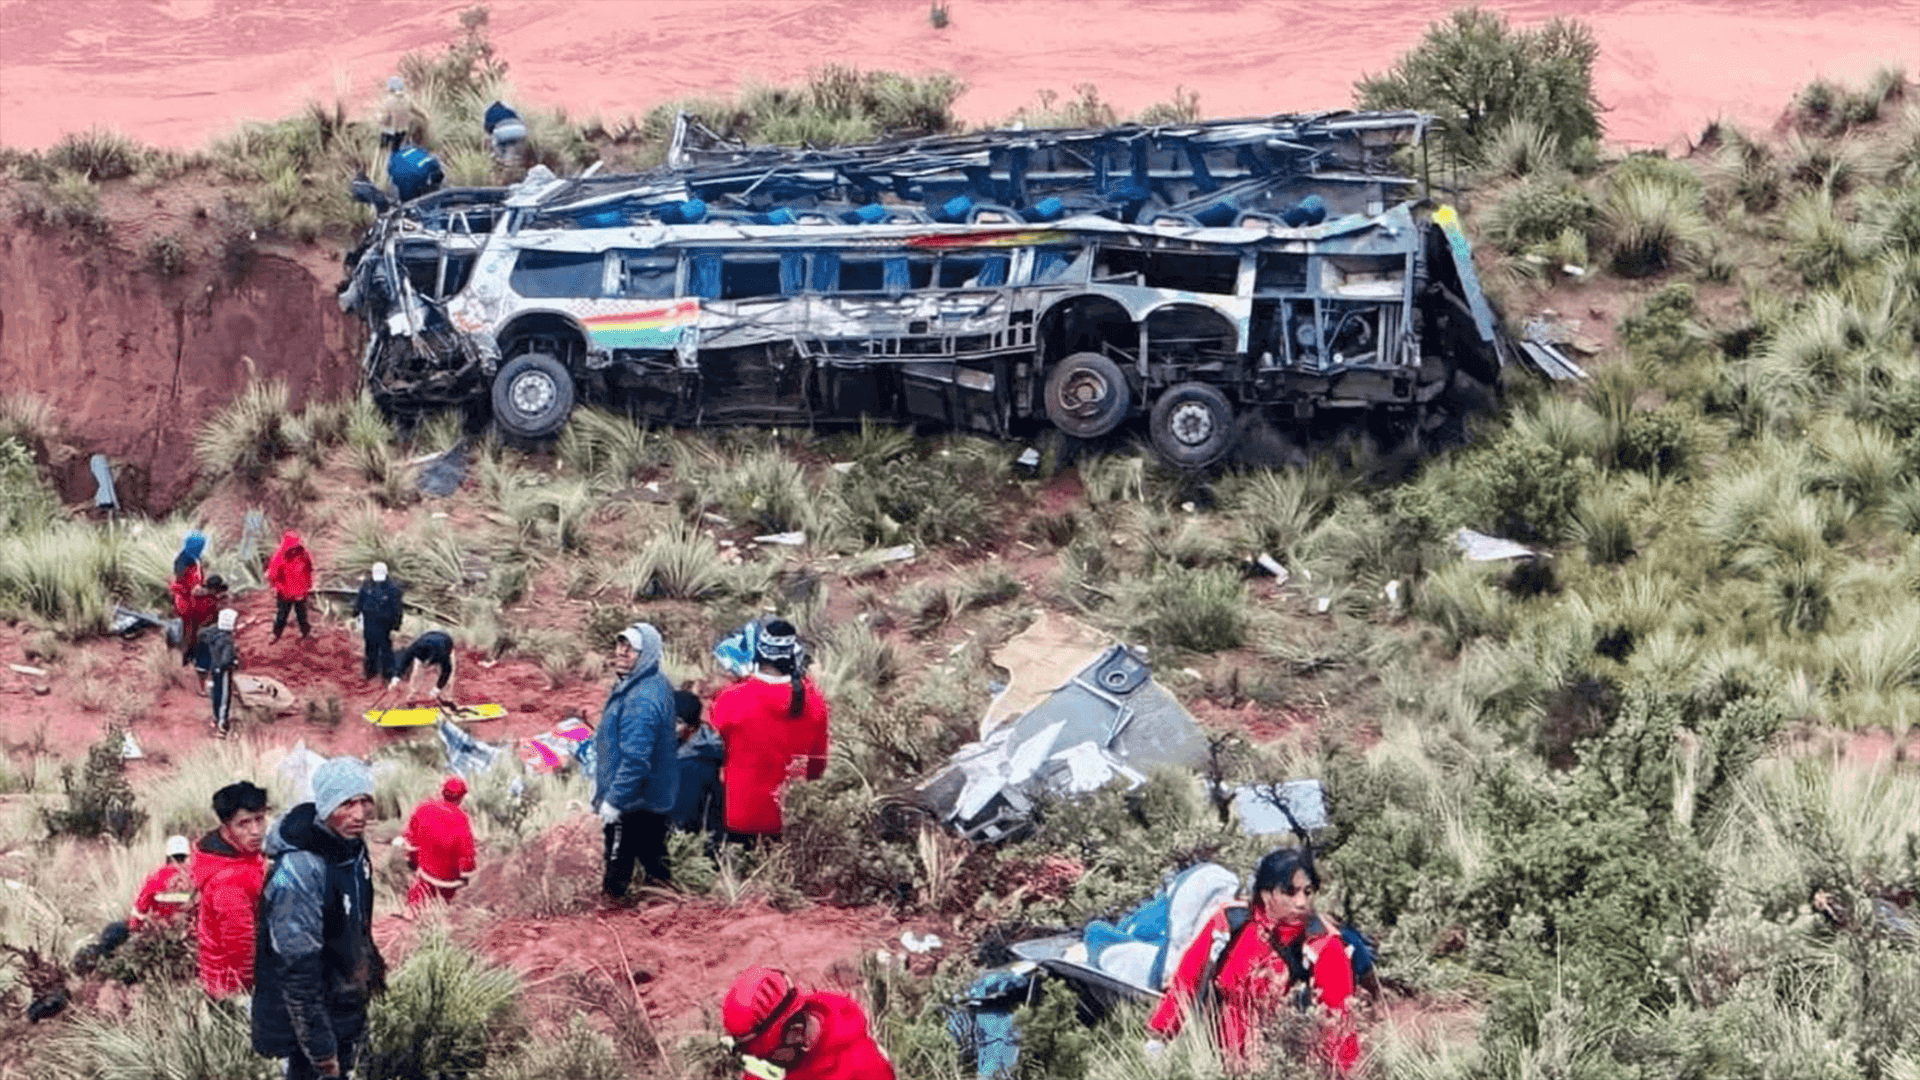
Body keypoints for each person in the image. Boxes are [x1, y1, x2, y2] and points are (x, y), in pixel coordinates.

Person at [1148, 847, 1378, 1073]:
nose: (1301, 902)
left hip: (1286, 1068)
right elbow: (1187, 980)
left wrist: (1340, 1072)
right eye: (1289, 892)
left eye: (1307, 892)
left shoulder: (1324, 944)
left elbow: (1339, 1021)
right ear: (1266, 894)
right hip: (1218, 1064)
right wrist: (1160, 1036)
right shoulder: (1231, 922)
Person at [255, 756, 385, 1080]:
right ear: (326, 806)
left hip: (344, 1003)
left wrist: (369, 967)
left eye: (364, 801)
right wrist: (323, 1052)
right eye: (347, 803)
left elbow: (355, 921)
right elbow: (297, 973)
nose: (359, 814)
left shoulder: (351, 848)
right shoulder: (299, 871)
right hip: (309, 1022)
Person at [710, 619, 829, 843]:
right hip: (791, 818)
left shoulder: (731, 699)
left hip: (738, 815)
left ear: (759, 654)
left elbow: (712, 752)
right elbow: (817, 767)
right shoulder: (814, 701)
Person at [591, 622, 678, 899]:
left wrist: (614, 801)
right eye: (621, 645)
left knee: (617, 869)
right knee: (654, 859)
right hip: (650, 797)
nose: (622, 652)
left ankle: (614, 910)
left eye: (630, 649)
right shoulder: (648, 683)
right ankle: (664, 904)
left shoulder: (641, 700)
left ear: (647, 654)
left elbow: (636, 760)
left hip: (633, 801)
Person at [722, 966, 895, 1080]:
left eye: (767, 1055)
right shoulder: (781, 1058)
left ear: (796, 1033)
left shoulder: (864, 1069)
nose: (762, 1063)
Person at [195, 780, 269, 999]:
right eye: (243, 823)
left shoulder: (237, 856)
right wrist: (249, 993)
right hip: (233, 988)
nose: (255, 831)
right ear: (226, 827)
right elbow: (241, 947)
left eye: (259, 819)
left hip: (221, 981)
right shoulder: (230, 880)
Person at [78, 834, 196, 969]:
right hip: (188, 935)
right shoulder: (196, 877)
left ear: (168, 856)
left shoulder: (156, 876)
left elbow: (140, 909)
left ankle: (100, 964)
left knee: (114, 931)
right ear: (187, 856)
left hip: (157, 933)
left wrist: (135, 927)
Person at [398, 776, 477, 910]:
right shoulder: (462, 819)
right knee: (447, 907)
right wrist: (465, 875)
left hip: (426, 874)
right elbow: (466, 852)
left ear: (442, 791)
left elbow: (411, 842)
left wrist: (413, 861)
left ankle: (411, 912)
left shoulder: (424, 809)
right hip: (450, 881)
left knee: (415, 901)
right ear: (461, 797)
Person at [670, 688, 726, 840]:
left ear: (689, 726)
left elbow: (684, 819)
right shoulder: (681, 744)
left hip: (690, 840)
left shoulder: (696, 764)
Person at [171, 532, 217, 665]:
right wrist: (210, 591)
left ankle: (186, 657)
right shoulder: (190, 565)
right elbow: (194, 589)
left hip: (184, 601)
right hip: (189, 603)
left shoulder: (183, 559)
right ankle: (188, 658)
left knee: (189, 630)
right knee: (191, 631)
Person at [353, 562, 404, 682]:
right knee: (370, 647)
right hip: (369, 622)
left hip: (384, 624)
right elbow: (360, 599)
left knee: (385, 648)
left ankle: (387, 673)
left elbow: (397, 609)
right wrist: (356, 611)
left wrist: (396, 625)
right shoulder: (367, 585)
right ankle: (370, 671)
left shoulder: (392, 588)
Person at [198, 606, 241, 737]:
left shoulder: (211, 635)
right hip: (224, 672)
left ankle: (215, 718)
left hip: (213, 669)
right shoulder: (226, 641)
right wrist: (234, 662)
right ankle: (222, 726)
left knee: (216, 694)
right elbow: (226, 659)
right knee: (224, 697)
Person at [266, 531, 315, 642]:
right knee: (282, 616)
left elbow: (308, 570)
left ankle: (306, 633)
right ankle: (275, 634)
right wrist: (280, 589)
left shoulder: (303, 554)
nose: (295, 547)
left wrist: (307, 587)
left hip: (300, 593)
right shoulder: (279, 557)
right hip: (285, 594)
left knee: (302, 615)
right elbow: (273, 576)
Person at [389, 630, 456, 701]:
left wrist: (437, 689)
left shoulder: (443, 653)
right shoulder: (414, 648)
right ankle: (413, 695)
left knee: (449, 679)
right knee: (416, 673)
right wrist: (396, 678)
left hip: (445, 642)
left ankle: (445, 698)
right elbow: (404, 661)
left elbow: (447, 671)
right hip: (427, 639)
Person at [483, 100, 527, 164]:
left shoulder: (488, 112)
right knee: (511, 143)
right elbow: (520, 118)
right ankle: (512, 159)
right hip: (519, 129)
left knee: (496, 143)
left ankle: (502, 159)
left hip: (502, 131)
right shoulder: (509, 108)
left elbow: (487, 127)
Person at [377, 75, 411, 153]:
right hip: (404, 131)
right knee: (399, 151)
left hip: (390, 131)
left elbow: (384, 117)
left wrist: (378, 119)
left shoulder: (389, 100)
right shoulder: (407, 99)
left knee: (384, 151)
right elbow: (417, 111)